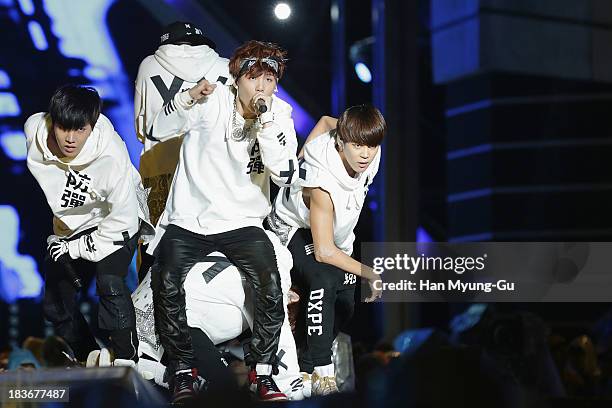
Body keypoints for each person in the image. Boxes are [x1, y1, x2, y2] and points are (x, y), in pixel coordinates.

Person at [147, 40, 300, 402]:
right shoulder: (211, 100)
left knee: (269, 282)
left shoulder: (280, 115)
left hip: (243, 221)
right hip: (191, 219)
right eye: (253, 79)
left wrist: (266, 127)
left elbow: (286, 173)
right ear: (238, 80)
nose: (261, 88)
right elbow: (157, 128)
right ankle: (183, 370)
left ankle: (261, 373)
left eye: (268, 79)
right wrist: (186, 99)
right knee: (165, 280)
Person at [24, 85, 154, 365]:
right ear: (52, 122)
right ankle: (86, 356)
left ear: (92, 127)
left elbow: (124, 218)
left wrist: (78, 248)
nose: (70, 139)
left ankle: (126, 358)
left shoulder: (111, 156)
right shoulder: (34, 131)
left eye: (80, 130)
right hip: (71, 228)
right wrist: (69, 243)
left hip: (118, 220)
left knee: (109, 281)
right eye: (63, 128)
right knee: (55, 300)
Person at [266, 105, 385, 395]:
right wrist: (370, 271)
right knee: (325, 278)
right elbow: (324, 252)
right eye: (357, 146)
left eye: (371, 146)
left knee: (347, 294)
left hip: (334, 235)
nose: (365, 155)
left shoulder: (370, 152)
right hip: (292, 227)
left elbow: (325, 120)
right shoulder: (322, 183)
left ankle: (305, 363)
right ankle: (322, 372)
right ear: (340, 142)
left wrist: (300, 155)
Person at [130, 230, 304, 400]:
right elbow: (280, 337)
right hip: (167, 326)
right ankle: (148, 371)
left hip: (142, 313)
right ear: (292, 296)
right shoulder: (266, 274)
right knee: (226, 392)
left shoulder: (225, 243)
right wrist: (294, 392)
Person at [134, 21, 230, 280]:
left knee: (154, 248)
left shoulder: (149, 65)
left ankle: (149, 315)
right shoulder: (225, 66)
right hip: (211, 172)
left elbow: (143, 127)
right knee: (210, 248)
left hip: (159, 168)